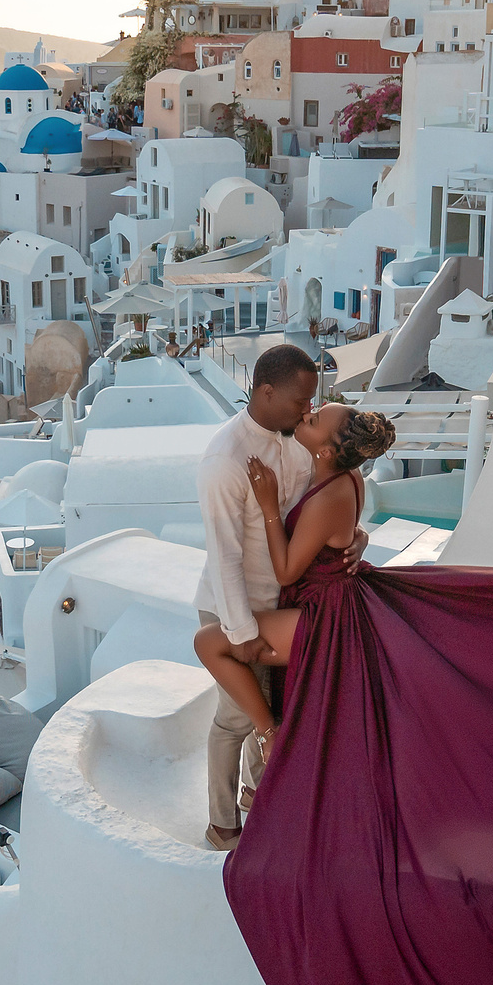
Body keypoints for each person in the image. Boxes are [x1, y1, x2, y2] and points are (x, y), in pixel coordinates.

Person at [197, 402, 399, 820]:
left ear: (325, 450)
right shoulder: (343, 473)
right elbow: (342, 528)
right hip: (326, 602)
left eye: (314, 419)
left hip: (321, 616)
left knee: (209, 644)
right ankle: (260, 789)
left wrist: (270, 507)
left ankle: (270, 735)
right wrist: (355, 537)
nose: (307, 414)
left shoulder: (331, 489)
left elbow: (288, 572)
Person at [191, 344, 319, 850]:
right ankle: (223, 825)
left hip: (280, 606)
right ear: (266, 392)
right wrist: (240, 632)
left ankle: (255, 797)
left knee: (277, 709)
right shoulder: (224, 460)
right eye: (300, 401)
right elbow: (223, 554)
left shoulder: (297, 441)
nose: (308, 409)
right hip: (231, 608)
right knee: (238, 718)